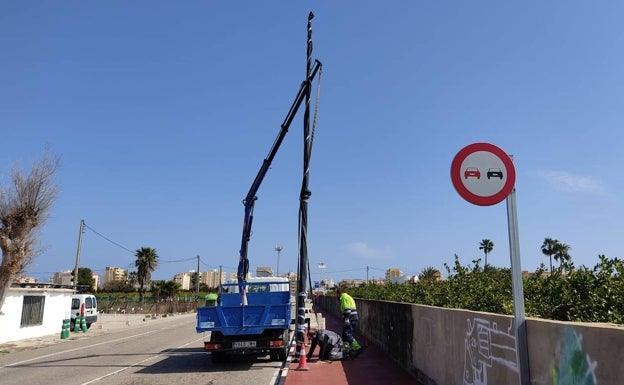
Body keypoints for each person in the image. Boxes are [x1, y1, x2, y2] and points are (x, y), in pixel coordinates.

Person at [337, 287, 362, 354]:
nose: (337, 296)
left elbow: (347, 309)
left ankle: (357, 347)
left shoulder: (344, 298)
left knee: (347, 334)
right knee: (344, 335)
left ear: (339, 293)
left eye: (337, 294)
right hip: (353, 318)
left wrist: (347, 319)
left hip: (351, 318)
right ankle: (346, 349)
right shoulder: (348, 297)